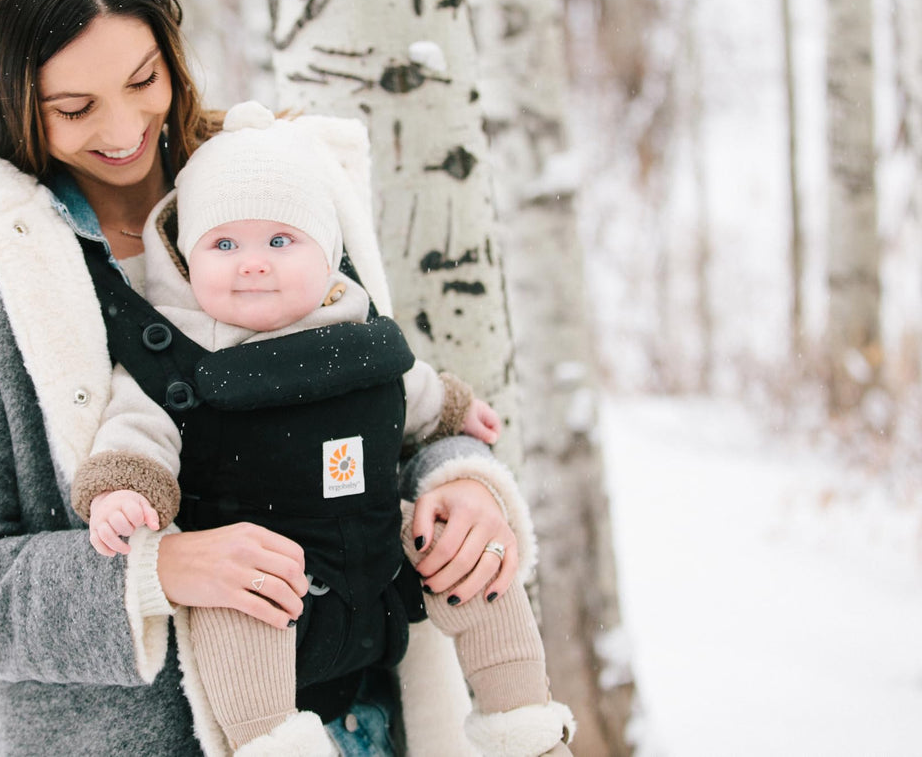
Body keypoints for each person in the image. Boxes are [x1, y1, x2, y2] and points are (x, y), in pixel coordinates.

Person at [0, 0, 555, 757]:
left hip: (367, 722)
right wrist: (158, 571)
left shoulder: (261, 185)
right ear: (9, 96)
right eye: (75, 106)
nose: (124, 130)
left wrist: (464, 485)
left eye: (143, 80)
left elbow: (375, 390)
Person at [72, 101, 576, 757]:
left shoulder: (357, 328)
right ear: (186, 258)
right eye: (223, 244)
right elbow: (135, 430)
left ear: (327, 251)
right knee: (234, 606)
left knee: (471, 562)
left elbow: (410, 393)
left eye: (280, 240)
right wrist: (121, 488)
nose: (252, 262)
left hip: (376, 556)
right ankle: (275, 745)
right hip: (266, 577)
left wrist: (453, 412)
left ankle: (523, 723)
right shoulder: (177, 354)